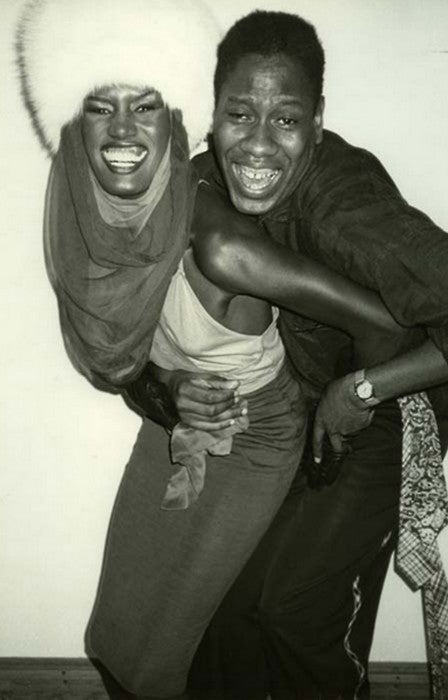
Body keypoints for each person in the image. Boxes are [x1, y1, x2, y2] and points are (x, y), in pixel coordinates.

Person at [17, 2, 421, 699]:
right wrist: (169, 387)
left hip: (306, 423)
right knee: (155, 625)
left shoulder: (245, 237)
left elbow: (390, 322)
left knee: (235, 627)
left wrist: (352, 396)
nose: (122, 131)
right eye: (99, 107)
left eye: (145, 106)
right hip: (215, 414)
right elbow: (114, 354)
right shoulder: (102, 203)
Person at [118, 11, 448, 700]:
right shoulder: (192, 183)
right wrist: (167, 384)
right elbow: (118, 338)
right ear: (212, 112)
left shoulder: (344, 204)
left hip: (392, 407)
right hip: (291, 412)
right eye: (240, 113)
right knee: (229, 607)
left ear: (318, 121)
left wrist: (360, 391)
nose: (258, 144)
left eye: (287, 119)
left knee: (298, 611)